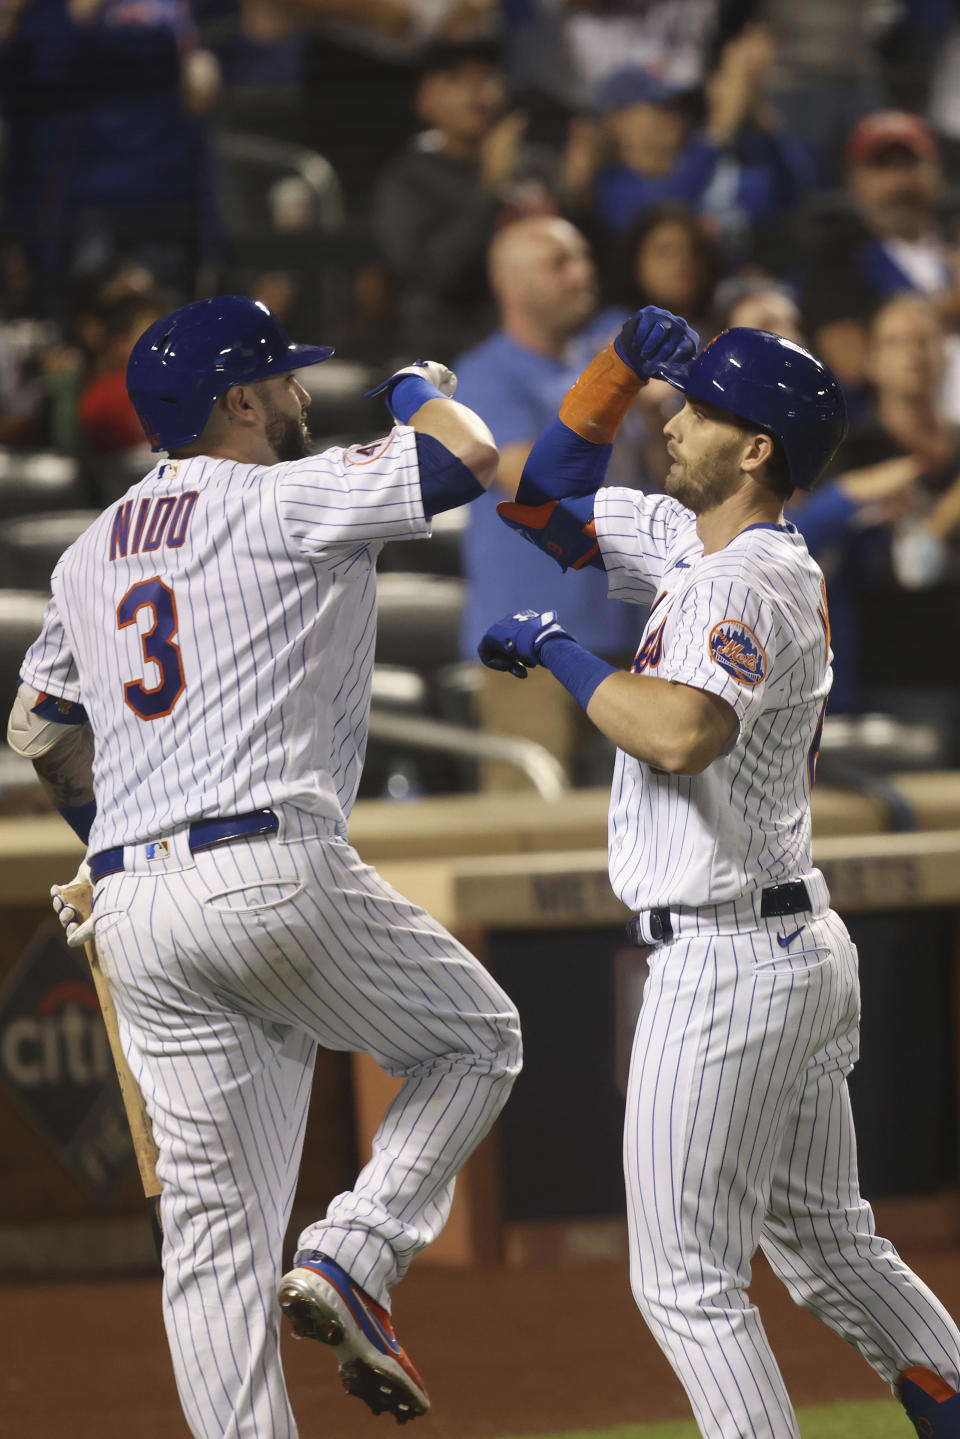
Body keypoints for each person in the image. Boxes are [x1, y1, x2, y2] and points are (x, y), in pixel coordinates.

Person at [5, 295, 522, 1438]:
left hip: (134, 899)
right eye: (283, 378)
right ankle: (353, 1250)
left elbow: (38, 727)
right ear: (238, 400)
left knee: (211, 1248)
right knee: (476, 1038)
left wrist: (110, 847)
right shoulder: (287, 495)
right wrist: (408, 387)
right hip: (265, 863)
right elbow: (468, 455)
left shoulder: (88, 551)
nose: (300, 394)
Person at [476, 304, 960, 1438]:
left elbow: (682, 731)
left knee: (685, 1278)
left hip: (730, 958)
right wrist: (608, 372)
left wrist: (559, 647)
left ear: (756, 451)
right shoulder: (698, 545)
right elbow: (542, 500)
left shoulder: (749, 580)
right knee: (831, 1243)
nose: (673, 419)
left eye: (699, 411)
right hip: (778, 943)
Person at [454, 214, 654, 787]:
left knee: (641, 837)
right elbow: (531, 484)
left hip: (628, 638)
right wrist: (615, 393)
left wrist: (657, 410)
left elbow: (664, 483)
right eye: (559, 262)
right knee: (532, 828)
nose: (582, 273)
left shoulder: (605, 372)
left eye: (585, 258)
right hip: (530, 651)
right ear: (510, 286)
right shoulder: (484, 374)